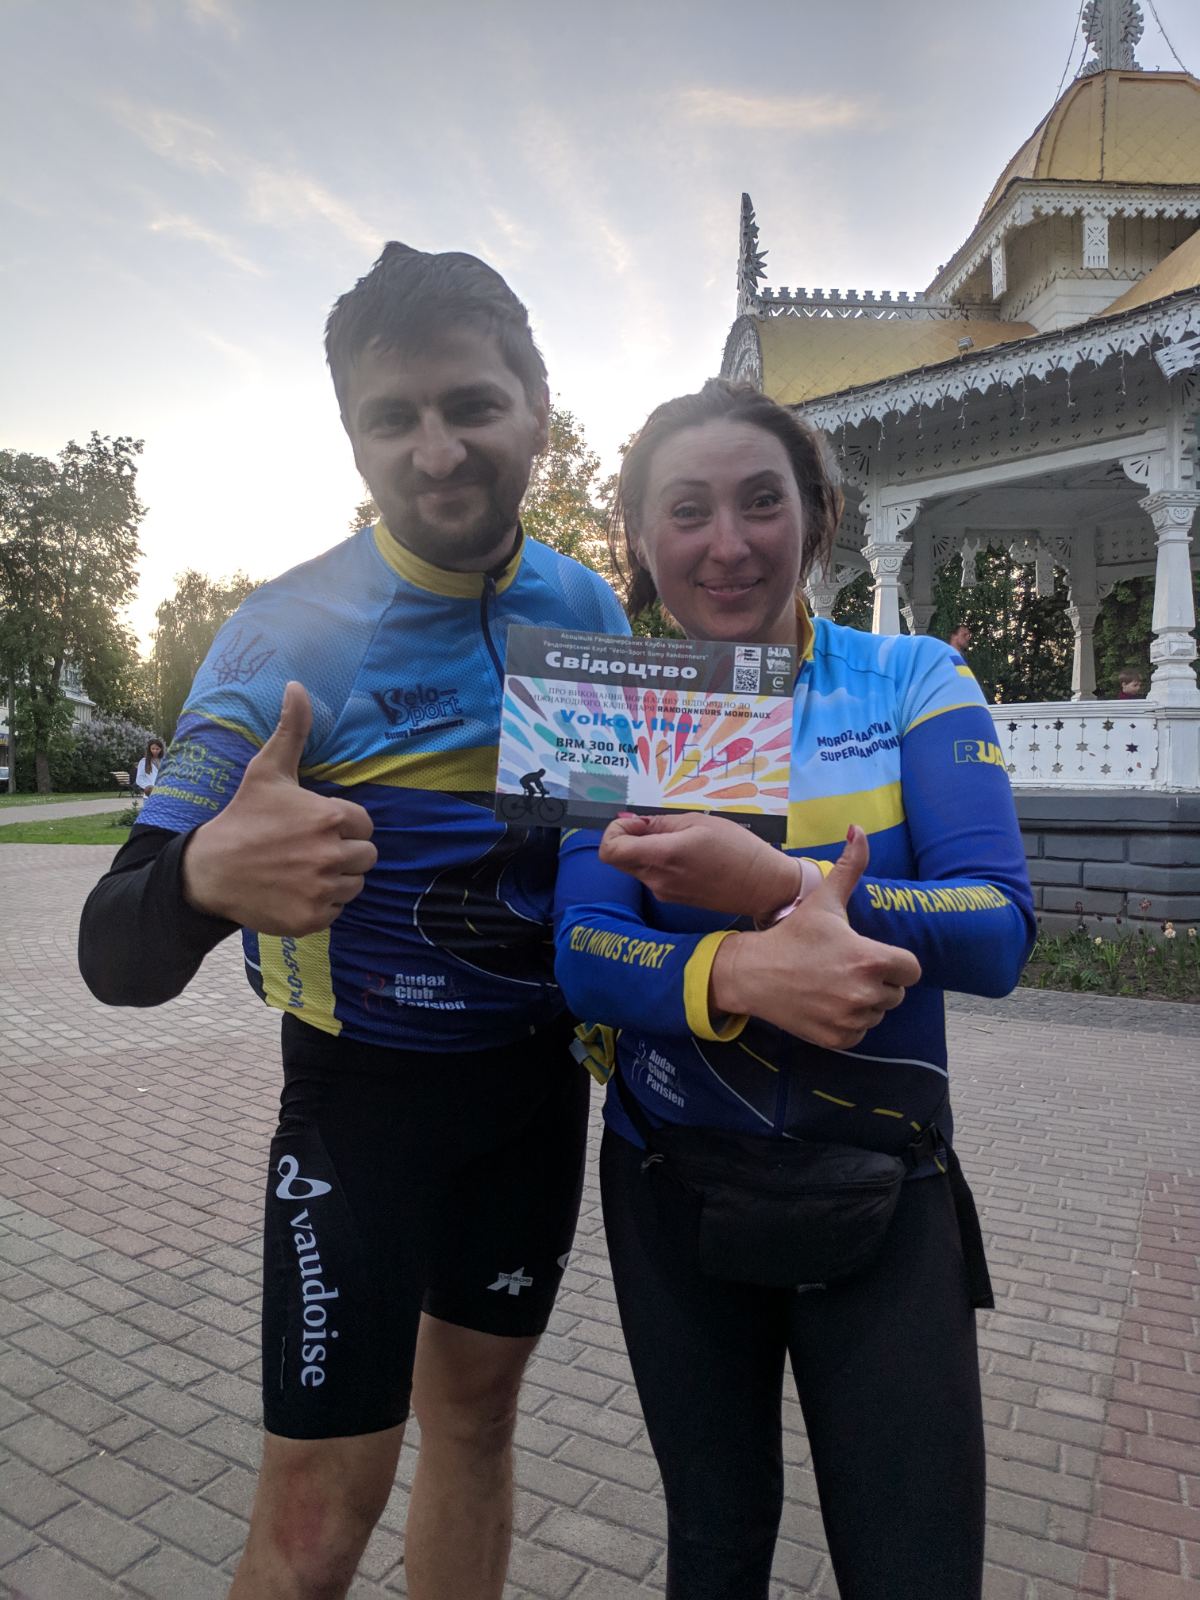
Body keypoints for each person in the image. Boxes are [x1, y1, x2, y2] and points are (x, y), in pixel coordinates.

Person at [78, 243, 628, 1600]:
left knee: (478, 1431)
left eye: (471, 405)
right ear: (352, 435)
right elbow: (110, 945)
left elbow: (621, 852)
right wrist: (204, 878)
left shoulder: (588, 608)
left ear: (537, 411)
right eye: (395, 418)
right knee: (320, 1523)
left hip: (534, 1099)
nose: (436, 452)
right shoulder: (287, 634)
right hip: (359, 1109)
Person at [553, 379, 1036, 1600]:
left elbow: (997, 928)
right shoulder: (618, 704)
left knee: (917, 1568)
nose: (727, 543)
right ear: (641, 537)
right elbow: (584, 951)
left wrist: (783, 883)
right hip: (670, 1185)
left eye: (762, 501)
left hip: (883, 1184)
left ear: (817, 517)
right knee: (714, 1550)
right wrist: (742, 972)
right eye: (688, 510)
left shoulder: (912, 677)